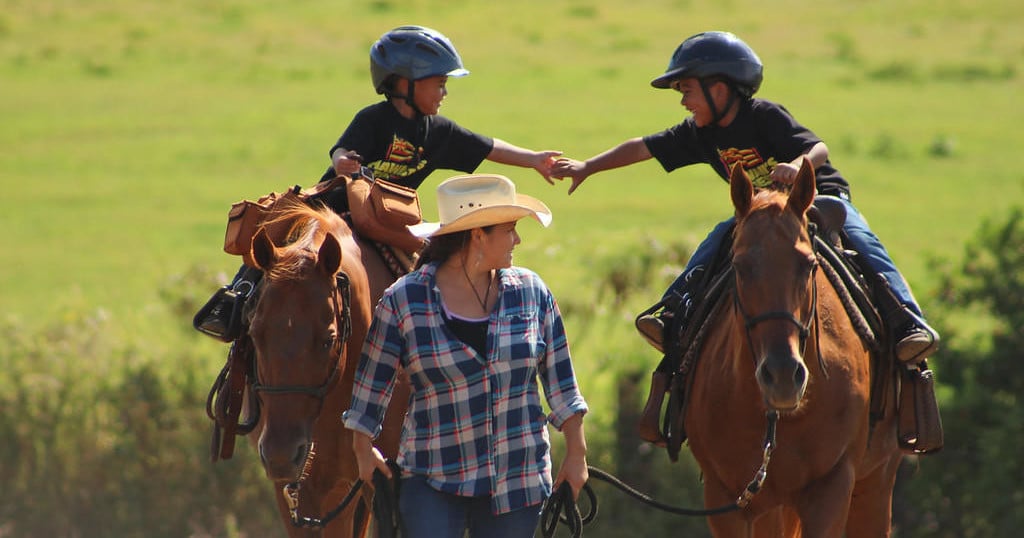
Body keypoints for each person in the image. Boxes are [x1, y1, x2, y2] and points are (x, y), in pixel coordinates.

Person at [551, 31, 939, 443]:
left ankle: (907, 322)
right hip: (759, 215)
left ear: (719, 88)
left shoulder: (765, 116)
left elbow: (819, 147)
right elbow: (645, 147)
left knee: (861, 240)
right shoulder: (700, 133)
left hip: (816, 201)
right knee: (717, 241)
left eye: (687, 89)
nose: (683, 101)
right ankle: (674, 314)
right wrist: (588, 167)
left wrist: (798, 164)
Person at [196, 25, 562, 340]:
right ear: (404, 83)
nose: (444, 92)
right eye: (439, 83)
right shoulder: (373, 120)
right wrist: (341, 161)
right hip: (332, 210)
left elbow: (486, 147)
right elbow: (341, 149)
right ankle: (237, 296)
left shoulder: (439, 132)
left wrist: (533, 160)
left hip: (387, 220)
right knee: (276, 233)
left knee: (431, 273)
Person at [342, 174, 589, 538]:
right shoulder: (404, 301)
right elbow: (370, 384)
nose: (517, 239)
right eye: (509, 229)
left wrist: (577, 454)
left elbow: (561, 381)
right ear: (477, 235)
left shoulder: (531, 293)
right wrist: (363, 448)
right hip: (432, 478)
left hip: (516, 480)